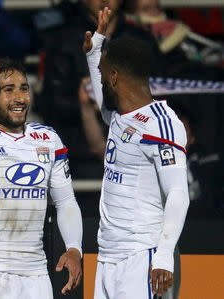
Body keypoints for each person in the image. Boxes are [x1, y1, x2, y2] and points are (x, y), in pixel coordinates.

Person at [0, 40, 83, 298]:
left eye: (24, 88)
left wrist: (74, 248)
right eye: (8, 90)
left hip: (35, 276)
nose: (19, 98)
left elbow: (66, 201)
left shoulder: (48, 138)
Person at [84, 8, 189, 298]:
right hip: (108, 256)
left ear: (115, 77)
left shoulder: (161, 125)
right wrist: (95, 52)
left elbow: (179, 193)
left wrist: (164, 256)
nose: (101, 80)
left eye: (105, 74)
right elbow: (103, 97)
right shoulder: (120, 117)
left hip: (143, 256)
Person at [37, 0, 162, 179]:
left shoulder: (141, 40)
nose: (104, 1)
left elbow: (160, 94)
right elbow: (51, 103)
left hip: (140, 149)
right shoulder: (62, 42)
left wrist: (113, 101)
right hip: (81, 156)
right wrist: (87, 103)